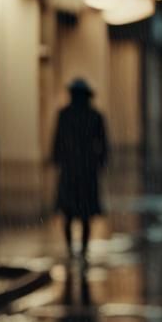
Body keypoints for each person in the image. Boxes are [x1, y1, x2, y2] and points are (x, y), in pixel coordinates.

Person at [51, 77, 108, 261]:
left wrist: (57, 158)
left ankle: (74, 250)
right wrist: (100, 161)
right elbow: (103, 144)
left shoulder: (66, 115)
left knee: (71, 213)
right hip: (85, 169)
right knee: (83, 214)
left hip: (72, 168)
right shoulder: (94, 116)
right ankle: (81, 250)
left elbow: (57, 140)